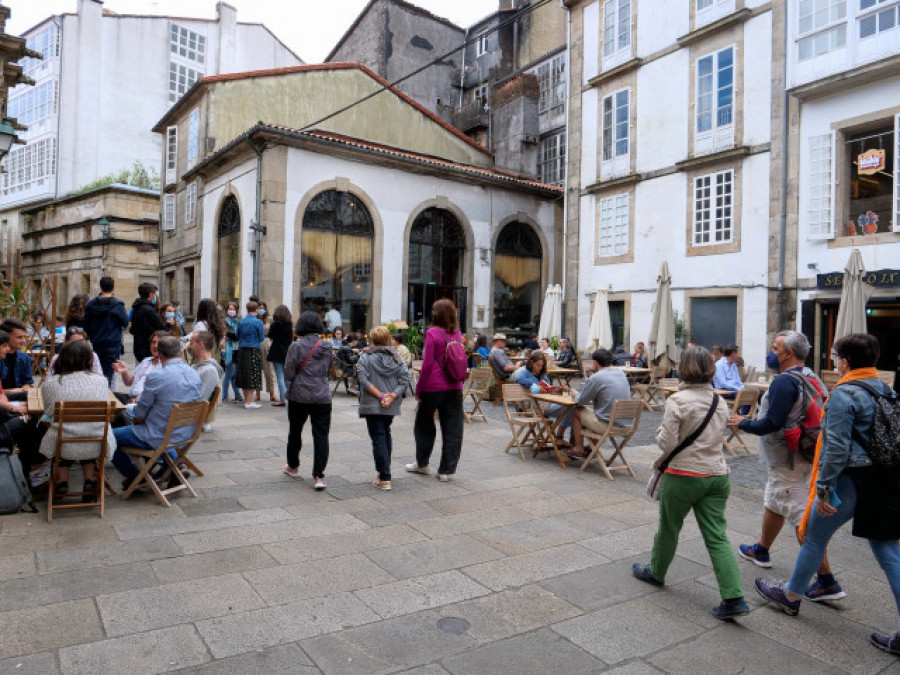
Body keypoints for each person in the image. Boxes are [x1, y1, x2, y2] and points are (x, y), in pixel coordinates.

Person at [754, 334, 900, 655]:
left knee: (815, 536)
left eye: (836, 356)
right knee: (890, 554)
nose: (835, 361)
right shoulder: (888, 391)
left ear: (845, 361)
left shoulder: (844, 394)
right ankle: (815, 588)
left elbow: (835, 449)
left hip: (851, 479)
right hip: (885, 480)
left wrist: (823, 489)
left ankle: (791, 596)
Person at [631, 346, 749, 619]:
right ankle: (734, 597)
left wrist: (660, 431)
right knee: (717, 537)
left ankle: (656, 572)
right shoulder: (719, 401)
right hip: (717, 475)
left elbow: (667, 442)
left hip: (684, 474)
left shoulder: (678, 400)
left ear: (683, 368)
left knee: (669, 528)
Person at [727, 330, 843, 601]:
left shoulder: (783, 383)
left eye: (775, 346)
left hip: (787, 457)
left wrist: (741, 422)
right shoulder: (812, 377)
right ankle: (761, 549)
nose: (772, 350)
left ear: (788, 353)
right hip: (807, 452)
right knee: (774, 500)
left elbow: (772, 423)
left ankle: (826, 580)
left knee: (801, 518)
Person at [111, 336, 202, 489]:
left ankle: (136, 477)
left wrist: (138, 420)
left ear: (159, 354)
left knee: (108, 437)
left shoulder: (157, 376)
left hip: (159, 435)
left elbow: (141, 410)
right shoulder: (193, 373)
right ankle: (171, 469)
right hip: (185, 432)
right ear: (180, 353)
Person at [38, 340, 116, 503]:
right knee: (84, 430)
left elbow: (49, 413)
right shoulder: (101, 381)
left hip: (63, 445)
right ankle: (89, 480)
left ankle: (61, 480)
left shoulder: (50, 385)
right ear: (88, 360)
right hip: (97, 443)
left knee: (63, 432)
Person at [406, 298, 466, 482]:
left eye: (433, 310)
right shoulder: (457, 333)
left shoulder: (432, 333)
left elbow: (427, 365)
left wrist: (418, 390)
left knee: (423, 425)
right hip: (455, 386)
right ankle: (446, 471)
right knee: (453, 428)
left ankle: (422, 464)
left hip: (433, 387)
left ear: (437, 314)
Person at [283, 311, 333, 490]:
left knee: (295, 431)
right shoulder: (327, 346)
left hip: (299, 395)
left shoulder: (296, 346)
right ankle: (319, 476)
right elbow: (328, 369)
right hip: (322, 396)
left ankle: (293, 465)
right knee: (321, 436)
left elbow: (288, 373)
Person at [357, 325, 409, 491]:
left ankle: (384, 477)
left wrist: (380, 396)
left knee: (378, 436)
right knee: (385, 433)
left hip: (372, 404)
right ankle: (384, 472)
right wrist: (392, 396)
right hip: (390, 405)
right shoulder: (397, 358)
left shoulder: (366, 357)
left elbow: (363, 380)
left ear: (373, 340)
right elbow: (404, 381)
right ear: (388, 339)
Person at [569, 348, 632, 459]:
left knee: (577, 411)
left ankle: (578, 448)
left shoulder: (596, 377)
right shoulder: (621, 373)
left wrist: (574, 394)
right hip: (626, 425)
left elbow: (581, 401)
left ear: (595, 362)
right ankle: (592, 448)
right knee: (599, 413)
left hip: (609, 426)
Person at [83, 277, 129, 386]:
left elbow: (86, 323)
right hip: (112, 342)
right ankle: (105, 395)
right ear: (113, 288)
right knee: (109, 373)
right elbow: (125, 321)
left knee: (97, 370)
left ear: (101, 287)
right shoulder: (118, 305)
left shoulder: (91, 304)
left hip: (97, 342)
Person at [112, 330, 167, 405]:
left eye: (159, 343)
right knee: (108, 396)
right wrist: (124, 370)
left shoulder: (166, 366)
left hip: (144, 402)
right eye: (153, 342)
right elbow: (128, 382)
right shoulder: (146, 361)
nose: (155, 346)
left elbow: (159, 392)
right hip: (130, 398)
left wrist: (140, 398)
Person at [188, 330, 223, 433]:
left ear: (200, 345)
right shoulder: (196, 366)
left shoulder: (210, 370)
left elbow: (200, 399)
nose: (189, 346)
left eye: (191, 343)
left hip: (186, 414)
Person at [236, 300, 265, 409]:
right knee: (253, 375)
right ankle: (249, 402)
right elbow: (261, 337)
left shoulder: (241, 321)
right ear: (256, 310)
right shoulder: (258, 322)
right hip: (254, 349)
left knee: (244, 374)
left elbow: (238, 335)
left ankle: (247, 400)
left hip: (243, 349)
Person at [130, 282, 165, 361]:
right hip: (148, 348)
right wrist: (168, 325)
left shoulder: (137, 308)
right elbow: (161, 329)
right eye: (154, 294)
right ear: (151, 294)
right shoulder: (149, 310)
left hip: (139, 347)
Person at [0, 318, 34, 398]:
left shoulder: (24, 358)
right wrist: (12, 391)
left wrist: (23, 389)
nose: (23, 341)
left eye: (24, 337)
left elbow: (28, 382)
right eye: (19, 337)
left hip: (17, 396)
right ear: (6, 336)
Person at [266, 305, 293, 407]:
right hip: (287, 352)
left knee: (280, 376)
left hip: (277, 352)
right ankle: (290, 397)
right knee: (287, 377)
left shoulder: (276, 324)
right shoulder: (289, 324)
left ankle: (282, 399)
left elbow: (269, 335)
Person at [256, 302, 280, 403]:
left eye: (263, 308)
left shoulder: (270, 320)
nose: (261, 310)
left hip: (267, 343)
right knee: (257, 370)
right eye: (259, 308)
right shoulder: (255, 320)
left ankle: (272, 393)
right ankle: (257, 394)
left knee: (269, 370)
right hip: (257, 344)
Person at [222, 301, 241, 402]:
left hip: (237, 349)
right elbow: (232, 335)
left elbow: (237, 335)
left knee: (235, 373)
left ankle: (237, 394)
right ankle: (225, 395)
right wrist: (236, 336)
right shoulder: (225, 321)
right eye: (230, 309)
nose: (231, 311)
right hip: (228, 349)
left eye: (233, 309)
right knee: (229, 373)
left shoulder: (238, 321)